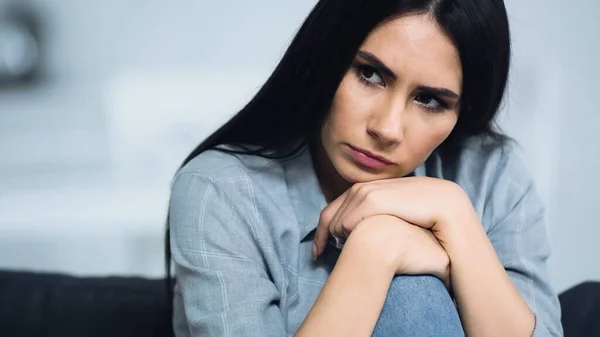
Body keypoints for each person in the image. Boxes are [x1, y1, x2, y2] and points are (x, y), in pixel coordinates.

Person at [166, 0, 563, 336]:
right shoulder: (219, 193)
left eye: (430, 100)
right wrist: (375, 250)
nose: (386, 128)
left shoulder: (491, 176)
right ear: (325, 55)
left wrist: (455, 214)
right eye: (369, 74)